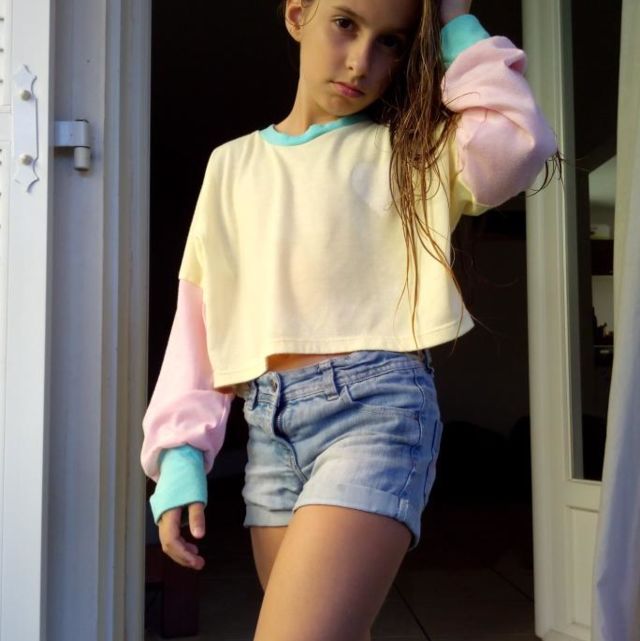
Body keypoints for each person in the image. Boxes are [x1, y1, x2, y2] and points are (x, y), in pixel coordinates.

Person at [141, 0, 559, 638]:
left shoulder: (412, 153)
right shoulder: (230, 165)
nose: (363, 61)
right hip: (269, 430)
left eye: (390, 42)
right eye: (345, 24)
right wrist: (180, 454)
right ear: (296, 14)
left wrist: (452, 21)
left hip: (376, 412)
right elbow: (199, 317)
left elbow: (516, 145)